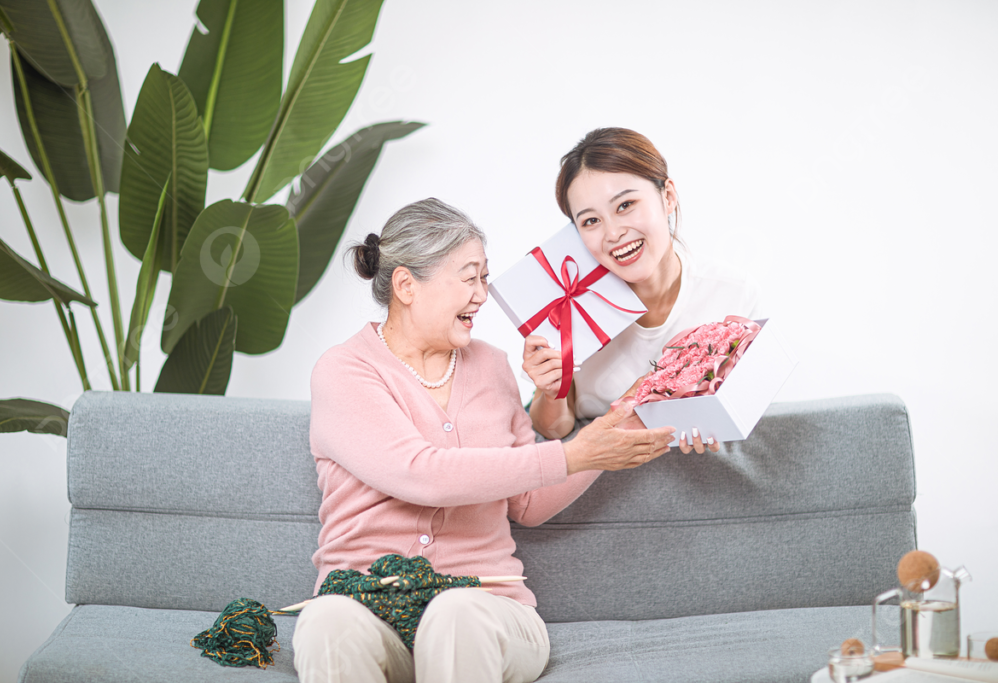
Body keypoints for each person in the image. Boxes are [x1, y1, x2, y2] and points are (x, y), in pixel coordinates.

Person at [293, 198, 677, 683]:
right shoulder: (344, 371)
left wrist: (620, 427)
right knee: (326, 620)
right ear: (407, 285)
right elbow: (421, 473)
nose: (483, 295)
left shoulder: (493, 366)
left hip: (487, 610)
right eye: (469, 277)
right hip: (371, 608)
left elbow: (529, 502)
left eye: (484, 277)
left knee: (455, 613)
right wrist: (569, 453)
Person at [525, 128, 763, 452]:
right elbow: (553, 431)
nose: (613, 233)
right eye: (591, 221)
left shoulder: (732, 295)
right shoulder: (570, 309)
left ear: (667, 196)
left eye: (625, 205)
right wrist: (551, 391)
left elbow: (745, 411)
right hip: (597, 484)